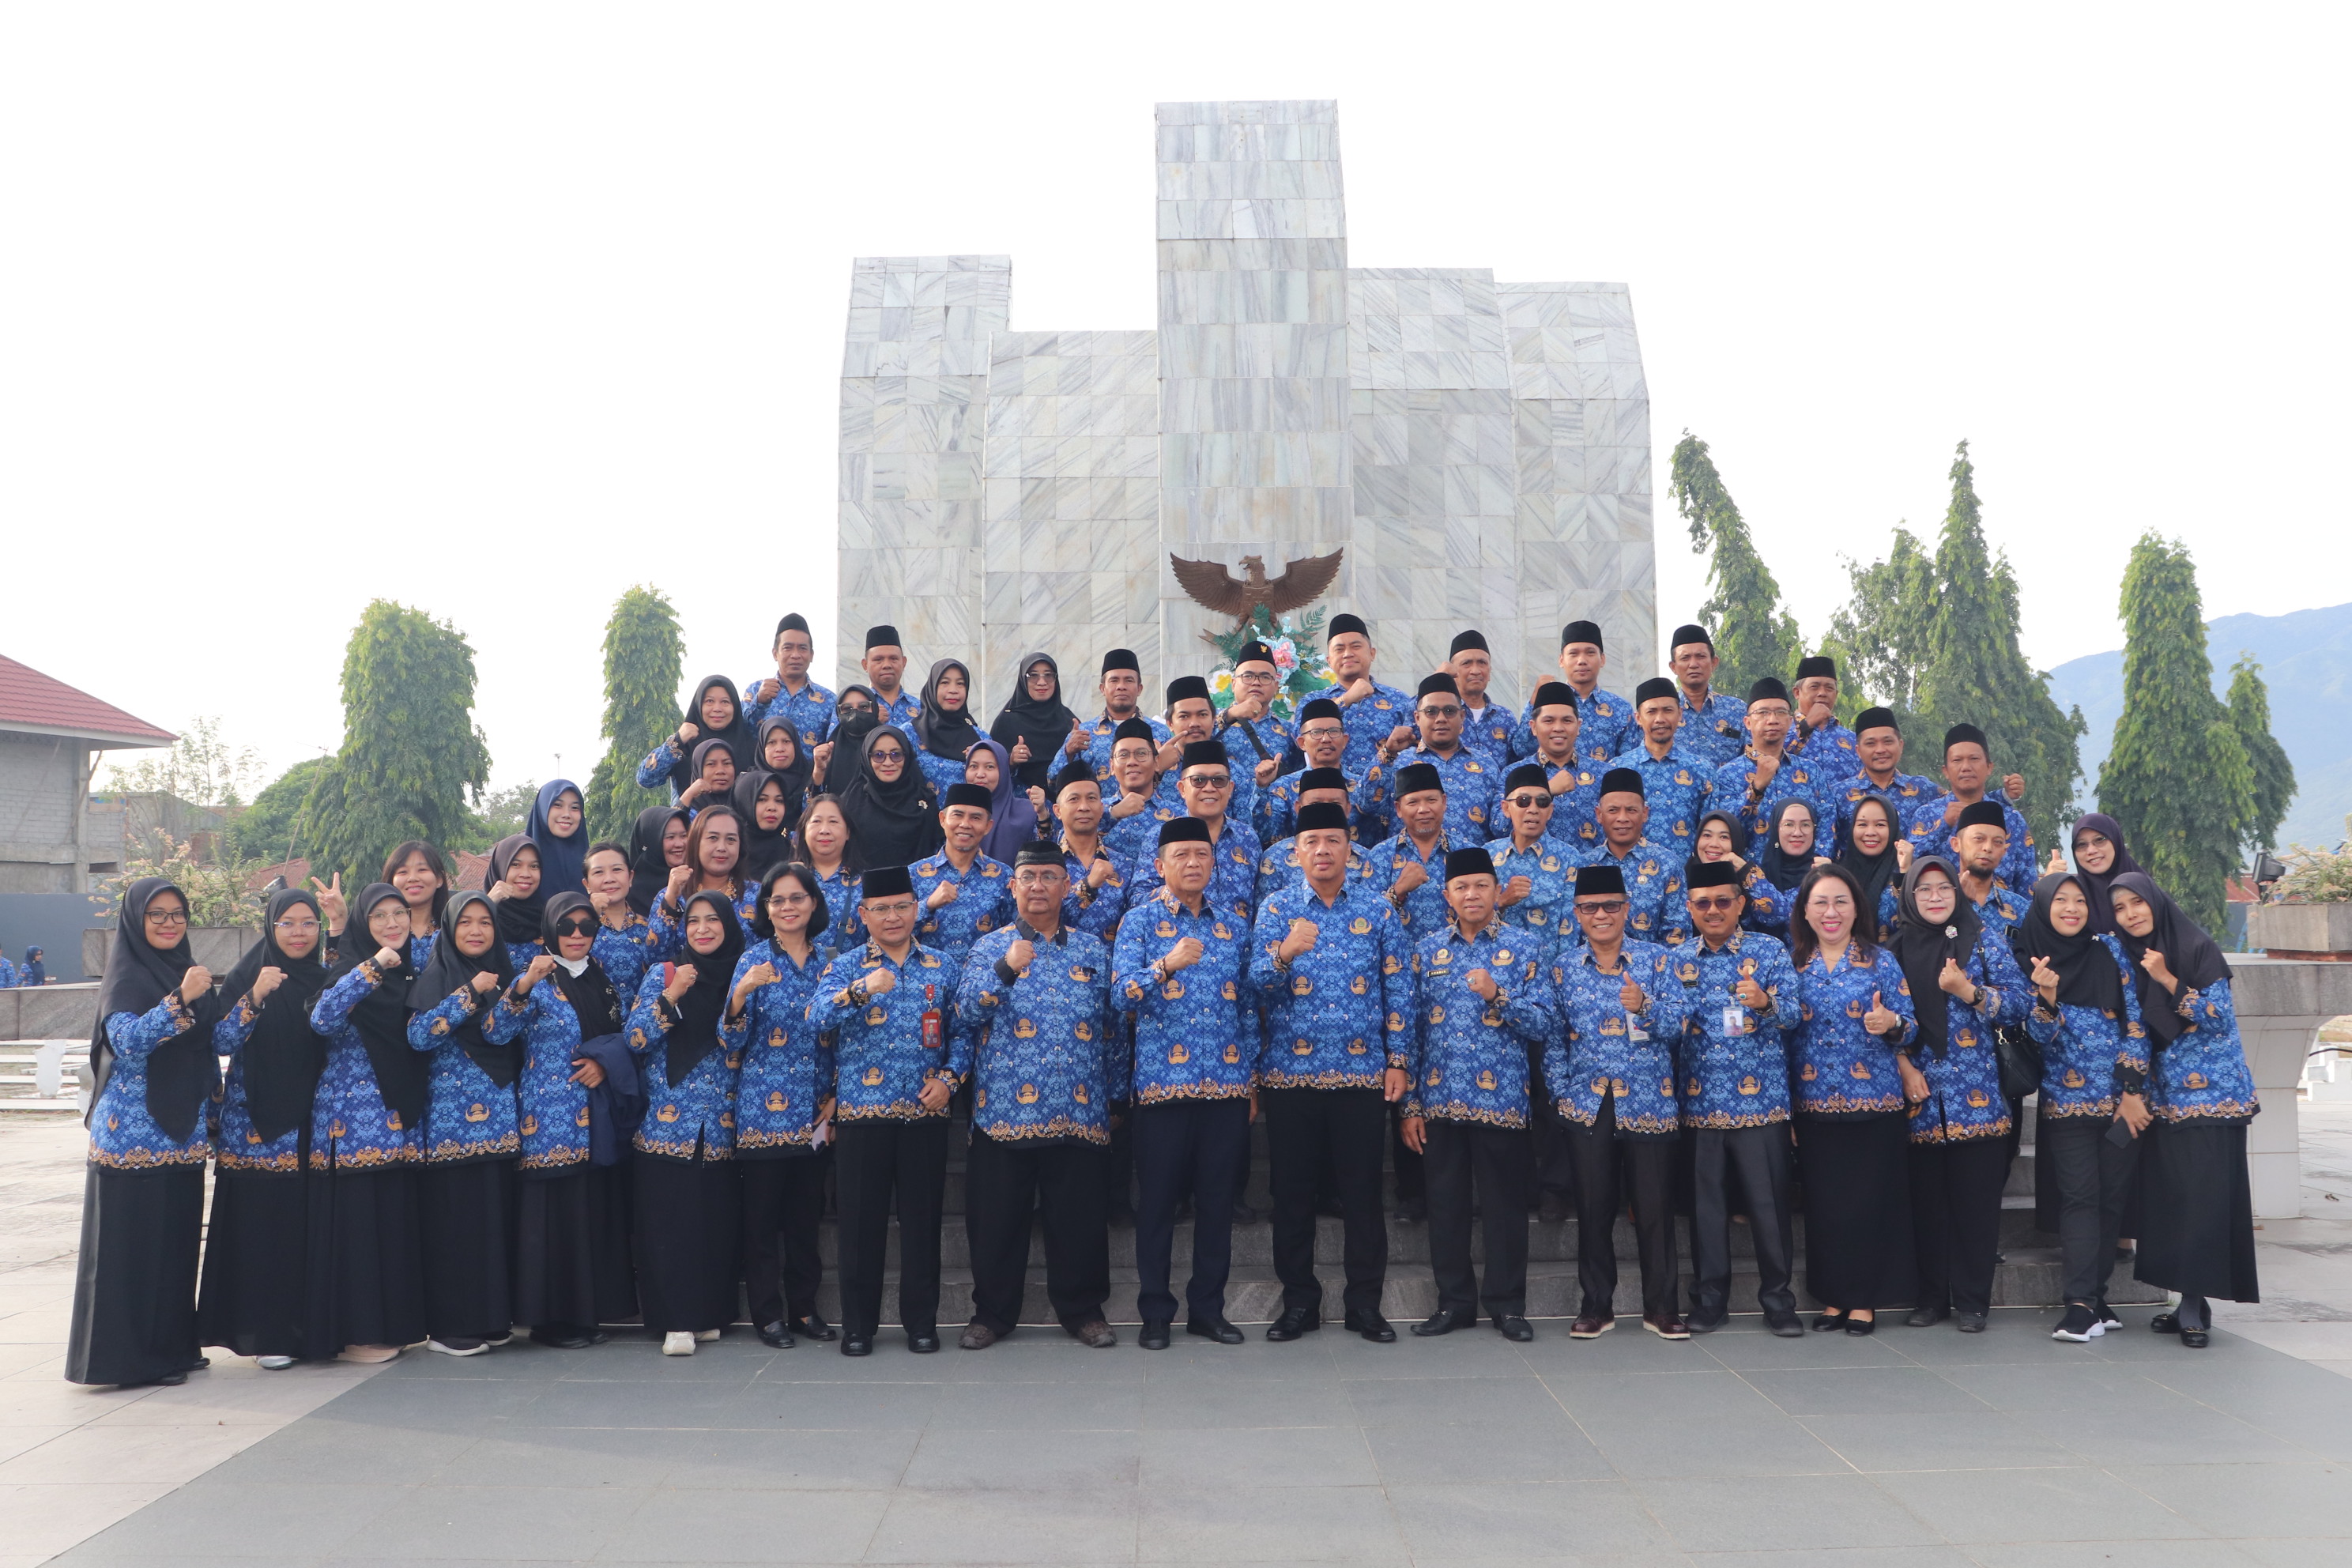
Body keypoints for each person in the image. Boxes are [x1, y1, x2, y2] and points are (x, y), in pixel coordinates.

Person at [1248, 801, 1414, 1344]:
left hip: (1361, 1075)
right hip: (1290, 1077)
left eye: (1332, 841)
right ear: (1296, 852)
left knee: (1362, 1196)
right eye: (1311, 842)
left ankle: (1365, 1304)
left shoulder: (1378, 910)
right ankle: (1299, 1302)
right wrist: (1284, 953)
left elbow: (1399, 990)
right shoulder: (1276, 909)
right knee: (1292, 1196)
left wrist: (1398, 1060)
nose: (1322, 850)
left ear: (1350, 850)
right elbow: (1256, 986)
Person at [953, 843, 1121, 1349]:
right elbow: (966, 1012)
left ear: (1067, 887)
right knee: (997, 1223)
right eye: (1028, 877)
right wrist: (1005, 967)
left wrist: (1115, 1097)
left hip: (1078, 1108)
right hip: (1004, 1112)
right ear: (1013, 886)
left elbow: (1113, 1030)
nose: (1039, 886)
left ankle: (1084, 1312)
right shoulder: (989, 947)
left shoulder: (1093, 950)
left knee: (1079, 1221)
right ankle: (992, 1314)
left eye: (1050, 876)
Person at [66, 878, 226, 1387]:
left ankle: (172, 1350)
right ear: (136, 920)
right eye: (156, 914)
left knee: (174, 1248)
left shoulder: (186, 970)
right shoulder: (127, 977)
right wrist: (181, 998)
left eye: (177, 914)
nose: (169, 923)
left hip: (181, 1135)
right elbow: (128, 1042)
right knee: (131, 1254)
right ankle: (129, 1362)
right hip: (132, 1139)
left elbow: (211, 1044)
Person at [1399, 846, 1555, 1340]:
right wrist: (1410, 1105)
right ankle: (1454, 1303)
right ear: (1447, 896)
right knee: (1446, 1207)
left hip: (1501, 1101)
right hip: (1439, 1101)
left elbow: (1543, 1023)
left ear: (1496, 891)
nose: (1472, 894)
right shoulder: (1426, 950)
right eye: (1461, 887)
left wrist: (1497, 995)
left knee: (1505, 1208)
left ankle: (1508, 1306)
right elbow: (1410, 1032)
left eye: (1481, 886)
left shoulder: (1525, 947)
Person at [1113, 817, 1255, 1348]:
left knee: (1217, 1206)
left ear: (1214, 862)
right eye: (1181, 855)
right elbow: (1120, 996)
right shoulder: (1139, 922)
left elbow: (1247, 1009)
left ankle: (1208, 1311)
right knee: (1157, 1206)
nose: (1193, 863)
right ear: (1160, 865)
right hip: (1161, 1089)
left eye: (1202, 854)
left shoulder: (1234, 926)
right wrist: (1165, 966)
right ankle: (1155, 1312)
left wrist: (1250, 1079)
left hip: (1225, 1087)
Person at [807, 866, 958, 1356]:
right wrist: (862, 989)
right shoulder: (847, 966)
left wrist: (949, 1080)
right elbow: (815, 1018)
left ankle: (922, 1325)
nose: (893, 917)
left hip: (924, 1116)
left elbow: (963, 1036)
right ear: (864, 915)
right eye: (881, 909)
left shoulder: (942, 965)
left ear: (916, 910)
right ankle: (858, 1327)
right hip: (861, 1117)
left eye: (901, 907)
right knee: (859, 1228)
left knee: (922, 1226)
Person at [1545, 861, 1692, 1339]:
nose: (1601, 915)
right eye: (1590, 908)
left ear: (1627, 909)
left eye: (1611, 906)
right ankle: (1596, 1307)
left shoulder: (1658, 961)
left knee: (1654, 1210)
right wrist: (1561, 1093)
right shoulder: (1564, 968)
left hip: (1649, 1100)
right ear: (1577, 914)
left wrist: (1645, 1007)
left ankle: (1662, 1309)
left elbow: (1681, 1025)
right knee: (1593, 1210)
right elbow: (1554, 1038)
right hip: (1588, 1103)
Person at [2111, 873, 2259, 1348]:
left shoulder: (2196, 948)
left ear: (2156, 902)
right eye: (2120, 908)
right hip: (2167, 1098)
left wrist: (2167, 978)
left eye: (2137, 903)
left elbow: (2218, 1018)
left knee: (2203, 1201)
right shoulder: (2131, 956)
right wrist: (2130, 1087)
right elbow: (2136, 1027)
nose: (2130, 914)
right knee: (2174, 1201)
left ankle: (2194, 1305)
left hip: (2214, 1098)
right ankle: (2186, 1303)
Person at [201, 885, 338, 1369]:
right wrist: (255, 996)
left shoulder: (323, 978)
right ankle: (267, 1333)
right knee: (263, 1230)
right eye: (288, 924)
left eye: (308, 923)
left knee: (307, 1228)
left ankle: (310, 1332)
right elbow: (220, 1040)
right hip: (255, 1128)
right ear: (270, 926)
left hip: (311, 1122)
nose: (299, 933)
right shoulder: (248, 975)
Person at [1890, 857, 2028, 1332]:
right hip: (1920, 1100)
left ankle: (1973, 1302)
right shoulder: (1895, 949)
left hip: (1978, 1097)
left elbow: (2019, 1002)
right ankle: (1931, 1298)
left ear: (1957, 891)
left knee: (1975, 1207)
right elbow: (1882, 1017)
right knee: (1926, 1207)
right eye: (1924, 889)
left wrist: (1969, 991)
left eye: (1943, 888)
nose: (1934, 897)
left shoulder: (1983, 937)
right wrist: (1904, 1065)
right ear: (1910, 895)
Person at [499, 891, 639, 1351]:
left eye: (586, 927)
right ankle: (551, 1320)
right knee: (553, 1218)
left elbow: (625, 1036)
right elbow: (497, 1031)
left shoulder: (602, 978)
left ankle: (587, 1313)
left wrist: (604, 1064)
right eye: (566, 927)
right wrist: (522, 986)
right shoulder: (536, 976)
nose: (577, 935)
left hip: (596, 1115)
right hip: (549, 1119)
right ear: (549, 929)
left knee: (591, 1211)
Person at [1672, 858, 1804, 1336]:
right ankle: (1710, 1301)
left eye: (1723, 901)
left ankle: (1779, 1302)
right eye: (1703, 903)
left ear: (1741, 904)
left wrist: (1765, 1002)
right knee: (1706, 1212)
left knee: (1769, 1209)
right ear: (1690, 908)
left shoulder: (1768, 952)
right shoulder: (1675, 961)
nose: (1713, 910)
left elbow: (1794, 1015)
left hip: (1760, 1105)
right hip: (1699, 1105)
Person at [1786, 864, 1918, 1334]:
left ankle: (1863, 1301)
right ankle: (1833, 1298)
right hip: (1813, 1104)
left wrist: (1891, 1024)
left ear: (1856, 909)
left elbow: (1910, 1025)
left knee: (1868, 1205)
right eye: (1820, 902)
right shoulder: (1791, 964)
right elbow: (1781, 1035)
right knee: (1826, 1207)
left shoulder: (1881, 961)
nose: (1831, 911)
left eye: (1841, 901)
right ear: (1805, 911)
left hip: (1874, 1104)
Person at [2018, 870, 2148, 1343]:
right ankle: (2078, 1305)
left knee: (2111, 1200)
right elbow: (2036, 1039)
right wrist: (2047, 999)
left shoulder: (2111, 950)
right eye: (2060, 900)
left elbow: (2137, 1023)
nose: (2071, 908)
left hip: (2121, 1105)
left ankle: (2096, 1296)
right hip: (2067, 1105)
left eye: (2079, 900)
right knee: (2080, 1199)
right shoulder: (2030, 958)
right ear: (2044, 907)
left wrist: (2131, 1090)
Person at [305, 882, 431, 1364]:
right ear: (363, 923)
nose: (393, 923)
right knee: (357, 1232)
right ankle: (358, 1333)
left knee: (391, 1229)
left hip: (399, 1123)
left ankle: (391, 1327)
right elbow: (323, 1019)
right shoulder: (350, 970)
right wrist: (374, 967)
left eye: (400, 913)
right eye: (379, 916)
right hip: (351, 1129)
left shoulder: (414, 972)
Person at [622, 890, 747, 1355]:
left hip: (721, 1124)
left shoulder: (742, 975)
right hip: (666, 1124)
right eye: (693, 921)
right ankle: (675, 1321)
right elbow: (635, 1038)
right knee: (668, 1225)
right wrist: (672, 997)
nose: (702, 929)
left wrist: (739, 998)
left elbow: (741, 1042)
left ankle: (708, 1314)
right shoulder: (665, 972)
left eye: (713, 920)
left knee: (713, 1223)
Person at [724, 865, 839, 1349]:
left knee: (804, 1222)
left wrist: (836, 1100)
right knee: (762, 1223)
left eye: (796, 898)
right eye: (777, 900)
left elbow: (844, 1037)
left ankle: (805, 1309)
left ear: (813, 903)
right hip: (762, 1113)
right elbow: (731, 1041)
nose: (787, 907)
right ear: (766, 909)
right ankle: (767, 1314)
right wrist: (741, 993)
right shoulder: (753, 960)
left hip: (814, 1111)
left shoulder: (832, 962)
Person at [404, 890, 521, 1356]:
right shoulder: (437, 976)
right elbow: (419, 1036)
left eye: (485, 922)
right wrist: (469, 994)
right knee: (456, 1226)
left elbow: (509, 1034)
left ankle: (491, 1319)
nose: (476, 930)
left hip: (500, 1119)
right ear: (450, 929)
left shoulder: (505, 975)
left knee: (494, 1223)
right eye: (466, 922)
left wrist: (515, 993)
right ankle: (450, 1326)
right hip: (451, 1126)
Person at [1123, 742, 1265, 926]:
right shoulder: (1160, 836)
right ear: (1182, 789)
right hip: (1177, 938)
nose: (1209, 788)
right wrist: (1178, 889)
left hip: (1238, 941)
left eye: (1219, 781)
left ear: (1230, 788)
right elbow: (1137, 899)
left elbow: (1259, 903)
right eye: (1198, 780)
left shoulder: (1247, 837)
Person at [1359, 673, 1499, 846]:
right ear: (1417, 718)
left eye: (1449, 711)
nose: (1441, 719)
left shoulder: (1486, 764)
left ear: (1462, 716)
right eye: (1431, 712)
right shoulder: (1398, 762)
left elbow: (1499, 825)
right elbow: (1365, 804)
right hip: (1411, 862)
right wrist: (1387, 752)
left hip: (1470, 862)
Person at [1906, 725, 2037, 893]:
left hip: (2001, 909)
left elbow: (2027, 882)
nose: (1966, 767)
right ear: (1945, 771)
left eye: (1974, 759)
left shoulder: (2011, 818)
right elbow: (1909, 864)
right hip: (1942, 907)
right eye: (1957, 760)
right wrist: (1944, 826)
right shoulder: (1927, 815)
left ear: (1989, 767)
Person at [1709, 678, 1829, 854]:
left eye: (1780, 712)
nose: (1772, 720)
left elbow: (1827, 823)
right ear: (1747, 722)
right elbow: (1723, 831)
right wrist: (1756, 789)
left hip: (1804, 869)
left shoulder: (1811, 772)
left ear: (1790, 721)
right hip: (1746, 869)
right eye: (1763, 713)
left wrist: (1816, 865)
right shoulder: (1727, 775)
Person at [1584, 768, 1690, 947]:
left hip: (1654, 963)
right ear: (1599, 815)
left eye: (1631, 810)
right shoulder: (1585, 865)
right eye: (1613, 810)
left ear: (1645, 813)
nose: (1622, 818)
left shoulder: (1667, 864)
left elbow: (1676, 934)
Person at [1605, 676, 1714, 848]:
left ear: (1680, 714)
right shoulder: (1617, 769)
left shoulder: (1701, 769)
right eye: (1651, 712)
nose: (1660, 719)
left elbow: (1711, 830)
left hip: (1686, 864)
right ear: (1638, 718)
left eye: (1668, 710)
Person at [1302, 613, 1415, 778]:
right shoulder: (1312, 701)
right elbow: (1300, 739)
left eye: (1356, 647)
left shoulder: (1398, 700)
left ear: (1372, 653)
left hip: (1387, 790)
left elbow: (1416, 746)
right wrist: (1346, 699)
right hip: (1332, 788)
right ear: (1329, 660)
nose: (1347, 654)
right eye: (1339, 649)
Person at [1514, 620, 1631, 765]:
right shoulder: (1546, 702)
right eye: (1573, 654)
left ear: (1602, 659)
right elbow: (1521, 748)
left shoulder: (1621, 708)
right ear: (1561, 660)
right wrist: (1535, 702)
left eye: (1590, 653)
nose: (1581, 661)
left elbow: (1627, 762)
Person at [1488, 763, 1579, 949]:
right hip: (1495, 962)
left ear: (1550, 810)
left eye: (1542, 802)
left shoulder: (1569, 858)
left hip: (1548, 963)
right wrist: (1502, 901)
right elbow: (1470, 922)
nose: (1533, 809)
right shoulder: (1488, 855)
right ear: (1506, 808)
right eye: (1523, 801)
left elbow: (1571, 929)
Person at [834, 725, 943, 871]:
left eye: (896, 755)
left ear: (907, 757)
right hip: (862, 883)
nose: (888, 763)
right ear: (867, 758)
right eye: (878, 755)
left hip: (916, 883)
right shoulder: (850, 802)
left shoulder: (925, 801)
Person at [1364, 763, 1453, 939]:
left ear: (1444, 802)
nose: (1423, 809)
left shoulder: (1467, 852)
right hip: (1398, 955)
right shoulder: (1381, 855)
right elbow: (1366, 920)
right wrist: (1397, 892)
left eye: (1431, 800)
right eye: (1413, 802)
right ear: (1398, 809)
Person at [637, 675, 753, 800]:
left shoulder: (751, 745)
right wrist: (676, 742)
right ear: (698, 705)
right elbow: (646, 779)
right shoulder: (684, 743)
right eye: (709, 701)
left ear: (735, 706)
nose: (717, 709)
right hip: (688, 812)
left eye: (725, 702)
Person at [1048, 763, 1129, 943]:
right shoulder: (1044, 865)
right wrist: (1088, 886)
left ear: (1101, 808)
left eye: (1091, 798)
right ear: (1057, 811)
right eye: (1074, 799)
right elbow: (1039, 921)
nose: (1084, 807)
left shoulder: (1125, 865)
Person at [1256, 698, 1354, 844]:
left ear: (1345, 740)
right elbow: (1266, 836)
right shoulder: (1284, 788)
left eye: (1333, 731)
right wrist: (1262, 788)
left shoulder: (1360, 787)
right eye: (1316, 732)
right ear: (1302, 743)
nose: (1326, 739)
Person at [1524, 681, 1602, 854]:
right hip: (1535, 868)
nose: (1558, 728)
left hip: (1591, 867)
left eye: (1567, 721)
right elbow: (1499, 826)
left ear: (1578, 726)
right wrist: (1546, 792)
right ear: (1534, 727)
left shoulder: (1603, 773)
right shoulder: (1515, 773)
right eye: (1549, 721)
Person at [1217, 640, 1296, 808]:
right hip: (1222, 814)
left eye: (1265, 677)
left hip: (1272, 815)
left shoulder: (1288, 731)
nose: (1256, 683)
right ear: (1233, 684)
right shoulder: (1212, 720)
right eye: (1248, 676)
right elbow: (1192, 742)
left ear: (1276, 686)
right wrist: (1231, 715)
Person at [743, 612, 837, 751]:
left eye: (802, 648)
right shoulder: (756, 690)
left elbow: (834, 745)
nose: (795, 655)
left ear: (811, 655)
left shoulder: (829, 700)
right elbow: (741, 733)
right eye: (788, 648)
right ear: (775, 653)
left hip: (810, 766)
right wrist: (760, 703)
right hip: (763, 766)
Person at [990, 650, 1080, 795]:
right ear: (1023, 680)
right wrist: (1011, 760)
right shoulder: (1006, 722)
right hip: (1022, 804)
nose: (1042, 682)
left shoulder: (1068, 720)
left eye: (1048, 675)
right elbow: (991, 770)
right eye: (1033, 676)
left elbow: (1085, 759)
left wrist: (1075, 747)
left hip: (1064, 804)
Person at [1830, 707, 1940, 824]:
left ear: (1901, 745)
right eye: (1871, 744)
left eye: (1888, 742)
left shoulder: (1924, 790)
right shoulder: (1838, 794)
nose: (1880, 750)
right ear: (1858, 751)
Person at [1075, 648, 1170, 775]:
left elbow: (1177, 783)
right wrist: (1068, 752)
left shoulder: (1161, 733)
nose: (1121, 686)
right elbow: (1055, 779)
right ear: (1102, 689)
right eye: (1114, 680)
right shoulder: (1083, 734)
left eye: (1129, 680)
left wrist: (1158, 765)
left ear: (1139, 689)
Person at [1668, 624, 1748, 769]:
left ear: (1714, 662)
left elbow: (1752, 759)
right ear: (1674, 667)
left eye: (1701, 657)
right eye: (1685, 658)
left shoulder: (1737, 710)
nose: (1693, 664)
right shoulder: (1664, 714)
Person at [793, 793, 865, 944]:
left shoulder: (865, 883)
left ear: (848, 832)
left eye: (833, 822)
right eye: (816, 821)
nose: (824, 830)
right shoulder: (789, 880)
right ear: (804, 831)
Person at [1750, 797, 1826, 938]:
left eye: (1806, 825)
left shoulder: (1824, 872)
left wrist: (1830, 878)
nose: (1797, 833)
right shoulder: (1757, 876)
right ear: (1776, 828)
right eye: (1788, 824)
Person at [912, 657, 986, 797]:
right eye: (945, 683)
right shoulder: (909, 734)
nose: (953, 690)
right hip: (923, 811)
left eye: (960, 684)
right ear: (933, 687)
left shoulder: (982, 739)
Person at [963, 735, 1042, 865]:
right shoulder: (957, 815)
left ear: (1004, 772)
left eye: (990, 767)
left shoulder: (1027, 812)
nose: (980, 774)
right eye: (973, 766)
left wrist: (1043, 814)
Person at [2060, 812, 2143, 935]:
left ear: (2115, 841)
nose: (2091, 850)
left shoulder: (2145, 889)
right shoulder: (2072, 896)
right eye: (2081, 844)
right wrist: (2048, 890)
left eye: (2099, 840)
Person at [1448, 628, 1523, 763]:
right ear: (1452, 671)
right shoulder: (1442, 714)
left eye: (1482, 663)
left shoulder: (1505, 717)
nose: (1476, 671)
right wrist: (1437, 680)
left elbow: (1518, 761)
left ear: (1490, 671)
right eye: (1466, 663)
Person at [1836, 793, 1905, 933]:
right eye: (1862, 824)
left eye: (1880, 825)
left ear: (1893, 828)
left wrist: (1904, 874)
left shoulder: (1908, 870)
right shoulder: (1838, 875)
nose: (1870, 832)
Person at [1788, 654, 1861, 783]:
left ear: (1836, 694)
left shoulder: (1852, 740)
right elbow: (1767, 760)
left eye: (1829, 688)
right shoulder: (1780, 732)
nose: (1822, 693)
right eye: (1814, 687)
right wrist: (1807, 725)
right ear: (1797, 692)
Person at [383, 840, 454, 965]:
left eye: (422, 870)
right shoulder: (379, 929)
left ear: (439, 879)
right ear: (391, 881)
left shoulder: (454, 929)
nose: (413, 878)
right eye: (403, 872)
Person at [483, 834, 550, 964]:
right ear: (500, 867)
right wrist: (487, 905)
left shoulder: (550, 920)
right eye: (515, 864)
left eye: (534, 866)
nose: (526, 874)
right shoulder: (480, 918)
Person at [525, 779, 590, 901]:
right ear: (543, 808)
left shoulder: (593, 865)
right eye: (558, 805)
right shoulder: (519, 860)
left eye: (575, 808)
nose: (567, 814)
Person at [733, 769, 797, 891]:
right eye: (762, 799)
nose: (772, 808)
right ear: (745, 802)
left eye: (779, 801)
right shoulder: (731, 852)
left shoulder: (793, 854)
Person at [625, 805, 691, 918]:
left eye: (684, 836)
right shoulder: (630, 892)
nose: (679, 844)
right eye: (670, 837)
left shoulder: (695, 877)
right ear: (652, 841)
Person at [859, 624, 921, 731]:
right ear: (865, 665)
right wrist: (868, 722)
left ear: (904, 662)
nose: (887, 665)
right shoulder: (853, 709)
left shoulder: (921, 709)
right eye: (878, 659)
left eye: (893, 659)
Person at [675, 738, 741, 814]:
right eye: (711, 764)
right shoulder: (690, 808)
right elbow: (673, 820)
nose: (720, 771)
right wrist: (689, 794)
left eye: (727, 763)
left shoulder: (746, 804)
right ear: (698, 769)